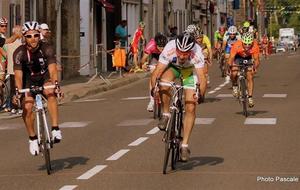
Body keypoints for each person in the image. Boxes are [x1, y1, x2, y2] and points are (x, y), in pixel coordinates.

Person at [151, 32, 207, 161]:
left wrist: (201, 95)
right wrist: (154, 89)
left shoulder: (197, 53)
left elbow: (202, 78)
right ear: (176, 47)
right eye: (179, 52)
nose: (182, 56)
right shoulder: (169, 48)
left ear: (191, 50)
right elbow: (157, 72)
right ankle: (166, 114)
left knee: (191, 106)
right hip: (174, 68)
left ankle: (185, 145)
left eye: (185, 53)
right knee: (163, 85)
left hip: (189, 72)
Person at [13, 21, 62, 156]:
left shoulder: (47, 48)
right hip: (28, 81)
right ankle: (33, 138)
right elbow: (18, 76)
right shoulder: (19, 53)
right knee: (27, 108)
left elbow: (52, 70)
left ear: (39, 35)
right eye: (29, 36)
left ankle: (55, 128)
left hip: (44, 76)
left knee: (50, 92)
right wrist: (17, 91)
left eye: (36, 35)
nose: (33, 39)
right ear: (24, 37)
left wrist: (56, 83)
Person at [227, 32, 260, 108]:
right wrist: (229, 67)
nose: (247, 46)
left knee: (250, 76)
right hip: (238, 57)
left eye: (249, 44)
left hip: (248, 58)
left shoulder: (255, 46)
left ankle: (250, 97)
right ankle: (235, 85)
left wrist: (255, 68)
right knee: (234, 72)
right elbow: (231, 58)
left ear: (252, 42)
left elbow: (256, 60)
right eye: (245, 44)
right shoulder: (236, 45)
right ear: (242, 42)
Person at [139, 32, 168, 112]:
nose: (161, 49)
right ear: (156, 44)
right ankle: (151, 101)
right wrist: (144, 64)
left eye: (163, 47)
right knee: (153, 75)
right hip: (155, 57)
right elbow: (143, 59)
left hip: (165, 57)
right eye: (159, 47)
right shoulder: (151, 45)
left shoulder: (167, 47)